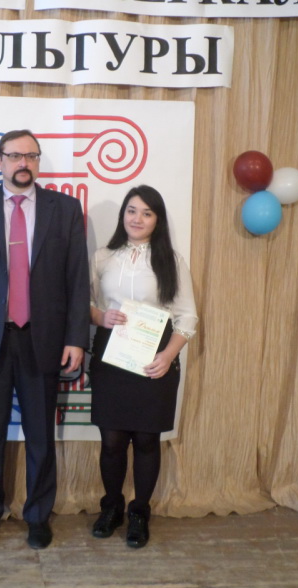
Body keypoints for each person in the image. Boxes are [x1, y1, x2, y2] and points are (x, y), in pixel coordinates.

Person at [0, 130, 90, 550]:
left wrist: (76, 337)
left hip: (43, 339)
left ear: (38, 161)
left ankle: (38, 516)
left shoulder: (65, 209)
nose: (23, 163)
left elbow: (77, 278)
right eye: (14, 155)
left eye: (30, 155)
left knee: (40, 435)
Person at [88, 184, 198, 549]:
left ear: (157, 220)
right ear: (123, 215)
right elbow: (85, 303)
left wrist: (168, 356)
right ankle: (111, 508)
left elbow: (187, 316)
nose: (137, 219)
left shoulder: (172, 261)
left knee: (147, 440)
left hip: (155, 357)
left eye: (147, 213)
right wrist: (100, 317)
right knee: (112, 441)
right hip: (111, 355)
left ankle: (139, 512)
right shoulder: (103, 257)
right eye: (132, 211)